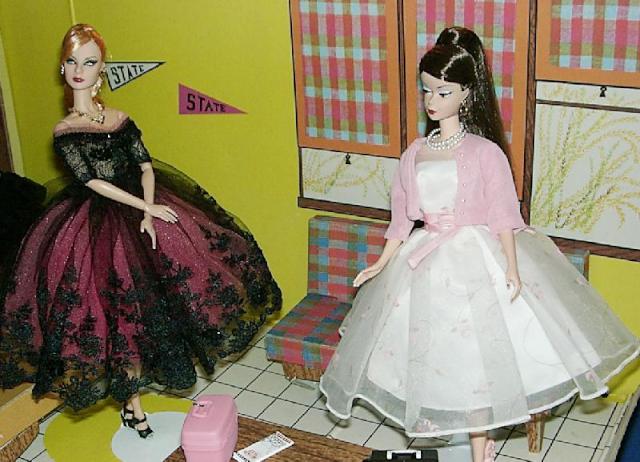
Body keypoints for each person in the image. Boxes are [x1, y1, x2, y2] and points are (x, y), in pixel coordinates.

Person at [319, 27, 639, 462]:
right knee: (441, 354)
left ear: (466, 94)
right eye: (427, 90)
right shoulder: (415, 152)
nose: (432, 100)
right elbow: (401, 220)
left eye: (443, 91)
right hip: (426, 258)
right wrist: (380, 264)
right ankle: (461, 434)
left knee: (481, 353)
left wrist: (512, 266)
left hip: (477, 256)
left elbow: (504, 214)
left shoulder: (485, 152)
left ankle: (479, 445)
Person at [0, 24, 281, 438]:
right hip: (93, 226)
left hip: (140, 214)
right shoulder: (64, 130)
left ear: (102, 69)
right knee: (113, 315)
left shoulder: (120, 119)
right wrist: (144, 207)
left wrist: (149, 212)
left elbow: (146, 166)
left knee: (154, 308)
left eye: (89, 62)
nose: (80, 70)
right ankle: (131, 404)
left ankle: (133, 402)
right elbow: (91, 181)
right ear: (63, 68)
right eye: (73, 61)